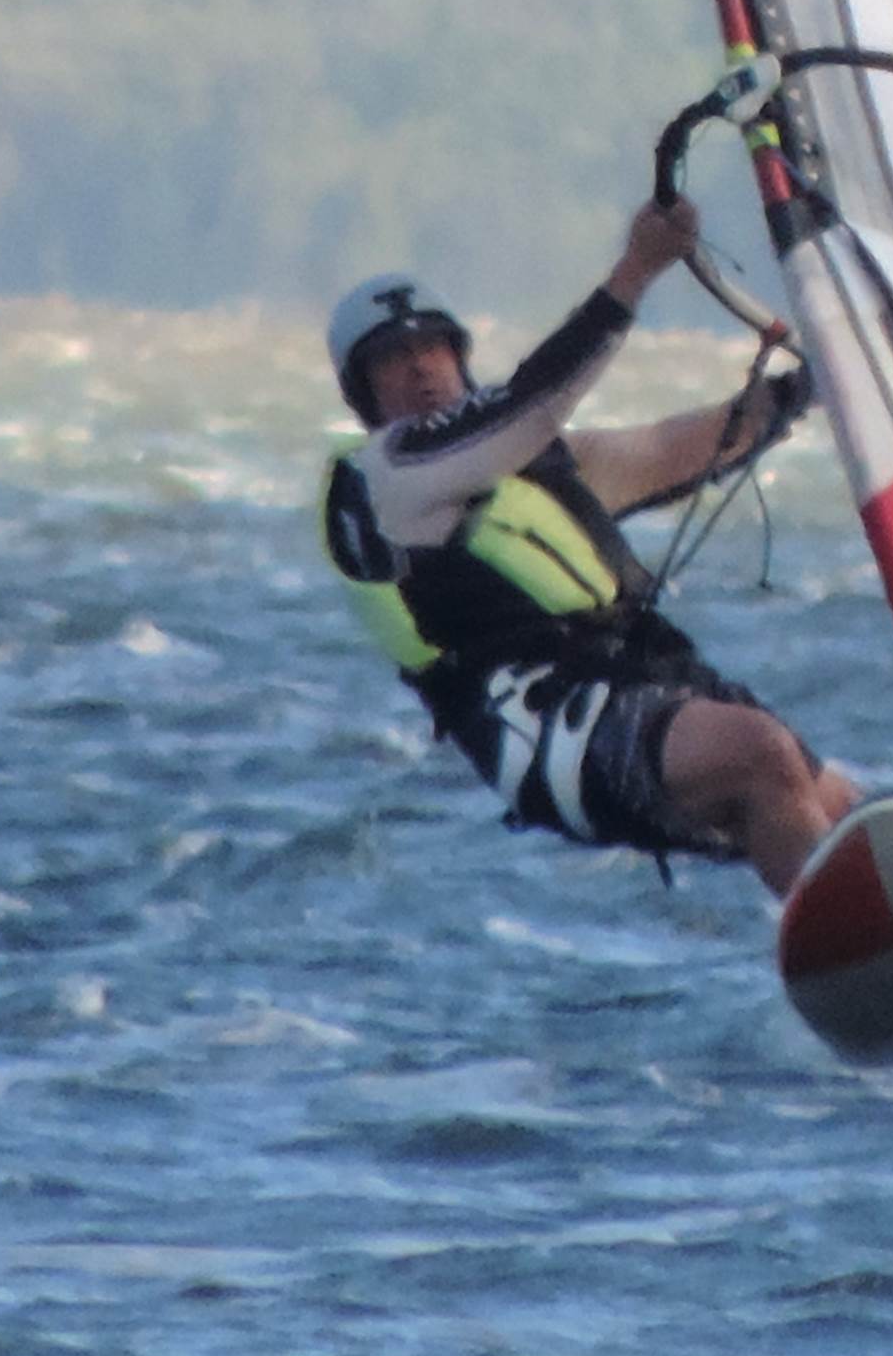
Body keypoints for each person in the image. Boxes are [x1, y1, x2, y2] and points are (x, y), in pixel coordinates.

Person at [317, 197, 861, 895]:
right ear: (363, 392)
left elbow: (670, 450)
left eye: (431, 347)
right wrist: (636, 271)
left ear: (458, 356)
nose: (420, 369)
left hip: (640, 681)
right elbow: (537, 396)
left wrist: (807, 388)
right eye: (392, 360)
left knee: (850, 813)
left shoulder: (533, 464)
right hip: (548, 725)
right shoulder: (392, 478)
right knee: (759, 751)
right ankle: (856, 942)